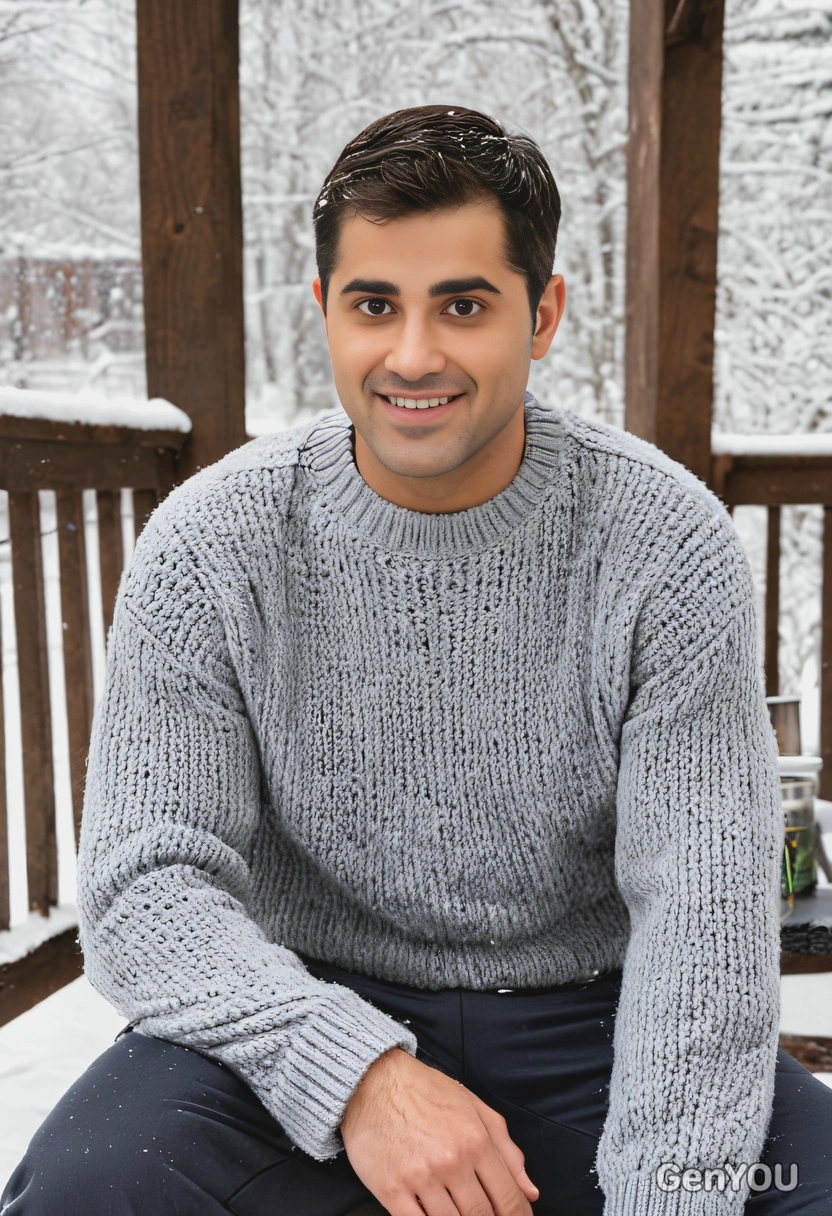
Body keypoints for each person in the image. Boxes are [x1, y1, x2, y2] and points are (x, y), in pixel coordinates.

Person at [2, 104, 831, 1216]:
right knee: (86, 1191)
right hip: (298, 1009)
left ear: (542, 315)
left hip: (603, 1015)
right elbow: (147, 885)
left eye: (463, 305)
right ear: (324, 315)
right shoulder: (210, 543)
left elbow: (702, 912)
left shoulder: (662, 544)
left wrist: (666, 1198)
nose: (412, 355)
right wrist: (358, 1075)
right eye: (374, 305)